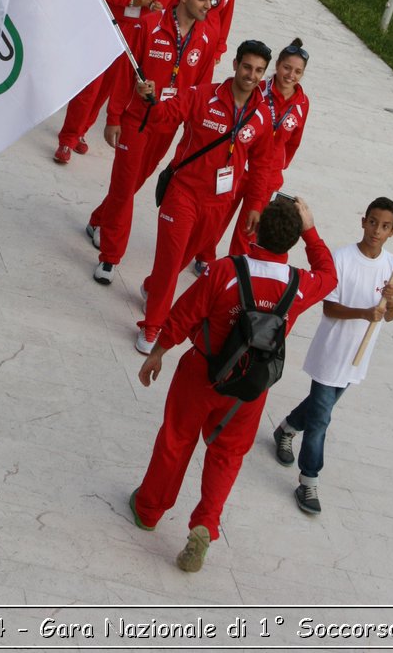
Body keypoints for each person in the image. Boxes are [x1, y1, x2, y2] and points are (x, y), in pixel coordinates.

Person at [131, 195, 336, 572]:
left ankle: (148, 510)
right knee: (226, 456)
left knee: (176, 440)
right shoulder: (299, 285)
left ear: (255, 229)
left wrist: (158, 352)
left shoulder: (226, 270)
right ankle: (205, 525)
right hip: (249, 391)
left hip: (201, 374)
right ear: (292, 241)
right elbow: (330, 274)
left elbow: (185, 313)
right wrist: (311, 230)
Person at [134, 39, 276, 354]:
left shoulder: (262, 117)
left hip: (219, 204)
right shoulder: (203, 96)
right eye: (247, 66)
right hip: (183, 194)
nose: (251, 75)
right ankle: (153, 325)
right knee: (171, 259)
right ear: (236, 64)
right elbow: (164, 116)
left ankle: (152, 287)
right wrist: (150, 100)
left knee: (183, 258)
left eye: (259, 71)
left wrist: (255, 206)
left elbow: (264, 166)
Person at [273, 197, 393, 517]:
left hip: (356, 360)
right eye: (372, 222)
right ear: (363, 221)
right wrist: (364, 312)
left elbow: (390, 317)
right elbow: (329, 307)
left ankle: (287, 428)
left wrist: (391, 301)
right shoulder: (341, 259)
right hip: (330, 353)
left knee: (321, 409)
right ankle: (309, 479)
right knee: (321, 420)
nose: (376, 230)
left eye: (384, 226)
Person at [88, 0, 217, 281]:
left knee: (132, 184)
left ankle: (98, 220)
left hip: (167, 125)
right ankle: (110, 256)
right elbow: (123, 73)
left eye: (210, 0)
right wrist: (113, 117)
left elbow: (201, 90)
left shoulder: (206, 38)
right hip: (135, 120)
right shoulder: (149, 25)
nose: (207, 5)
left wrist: (192, 132)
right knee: (124, 185)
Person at [54, 0, 173, 165]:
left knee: (111, 87)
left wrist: (158, 4)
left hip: (138, 30)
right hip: (109, 23)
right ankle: (67, 139)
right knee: (92, 85)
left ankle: (82, 131)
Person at [228, 37, 311, 258]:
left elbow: (294, 141)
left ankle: (237, 266)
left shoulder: (302, 103)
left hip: (267, 175)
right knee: (219, 216)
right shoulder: (259, 89)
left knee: (250, 226)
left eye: (297, 71)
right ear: (276, 66)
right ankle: (204, 257)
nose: (290, 75)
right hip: (238, 165)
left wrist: (278, 165)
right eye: (286, 68)